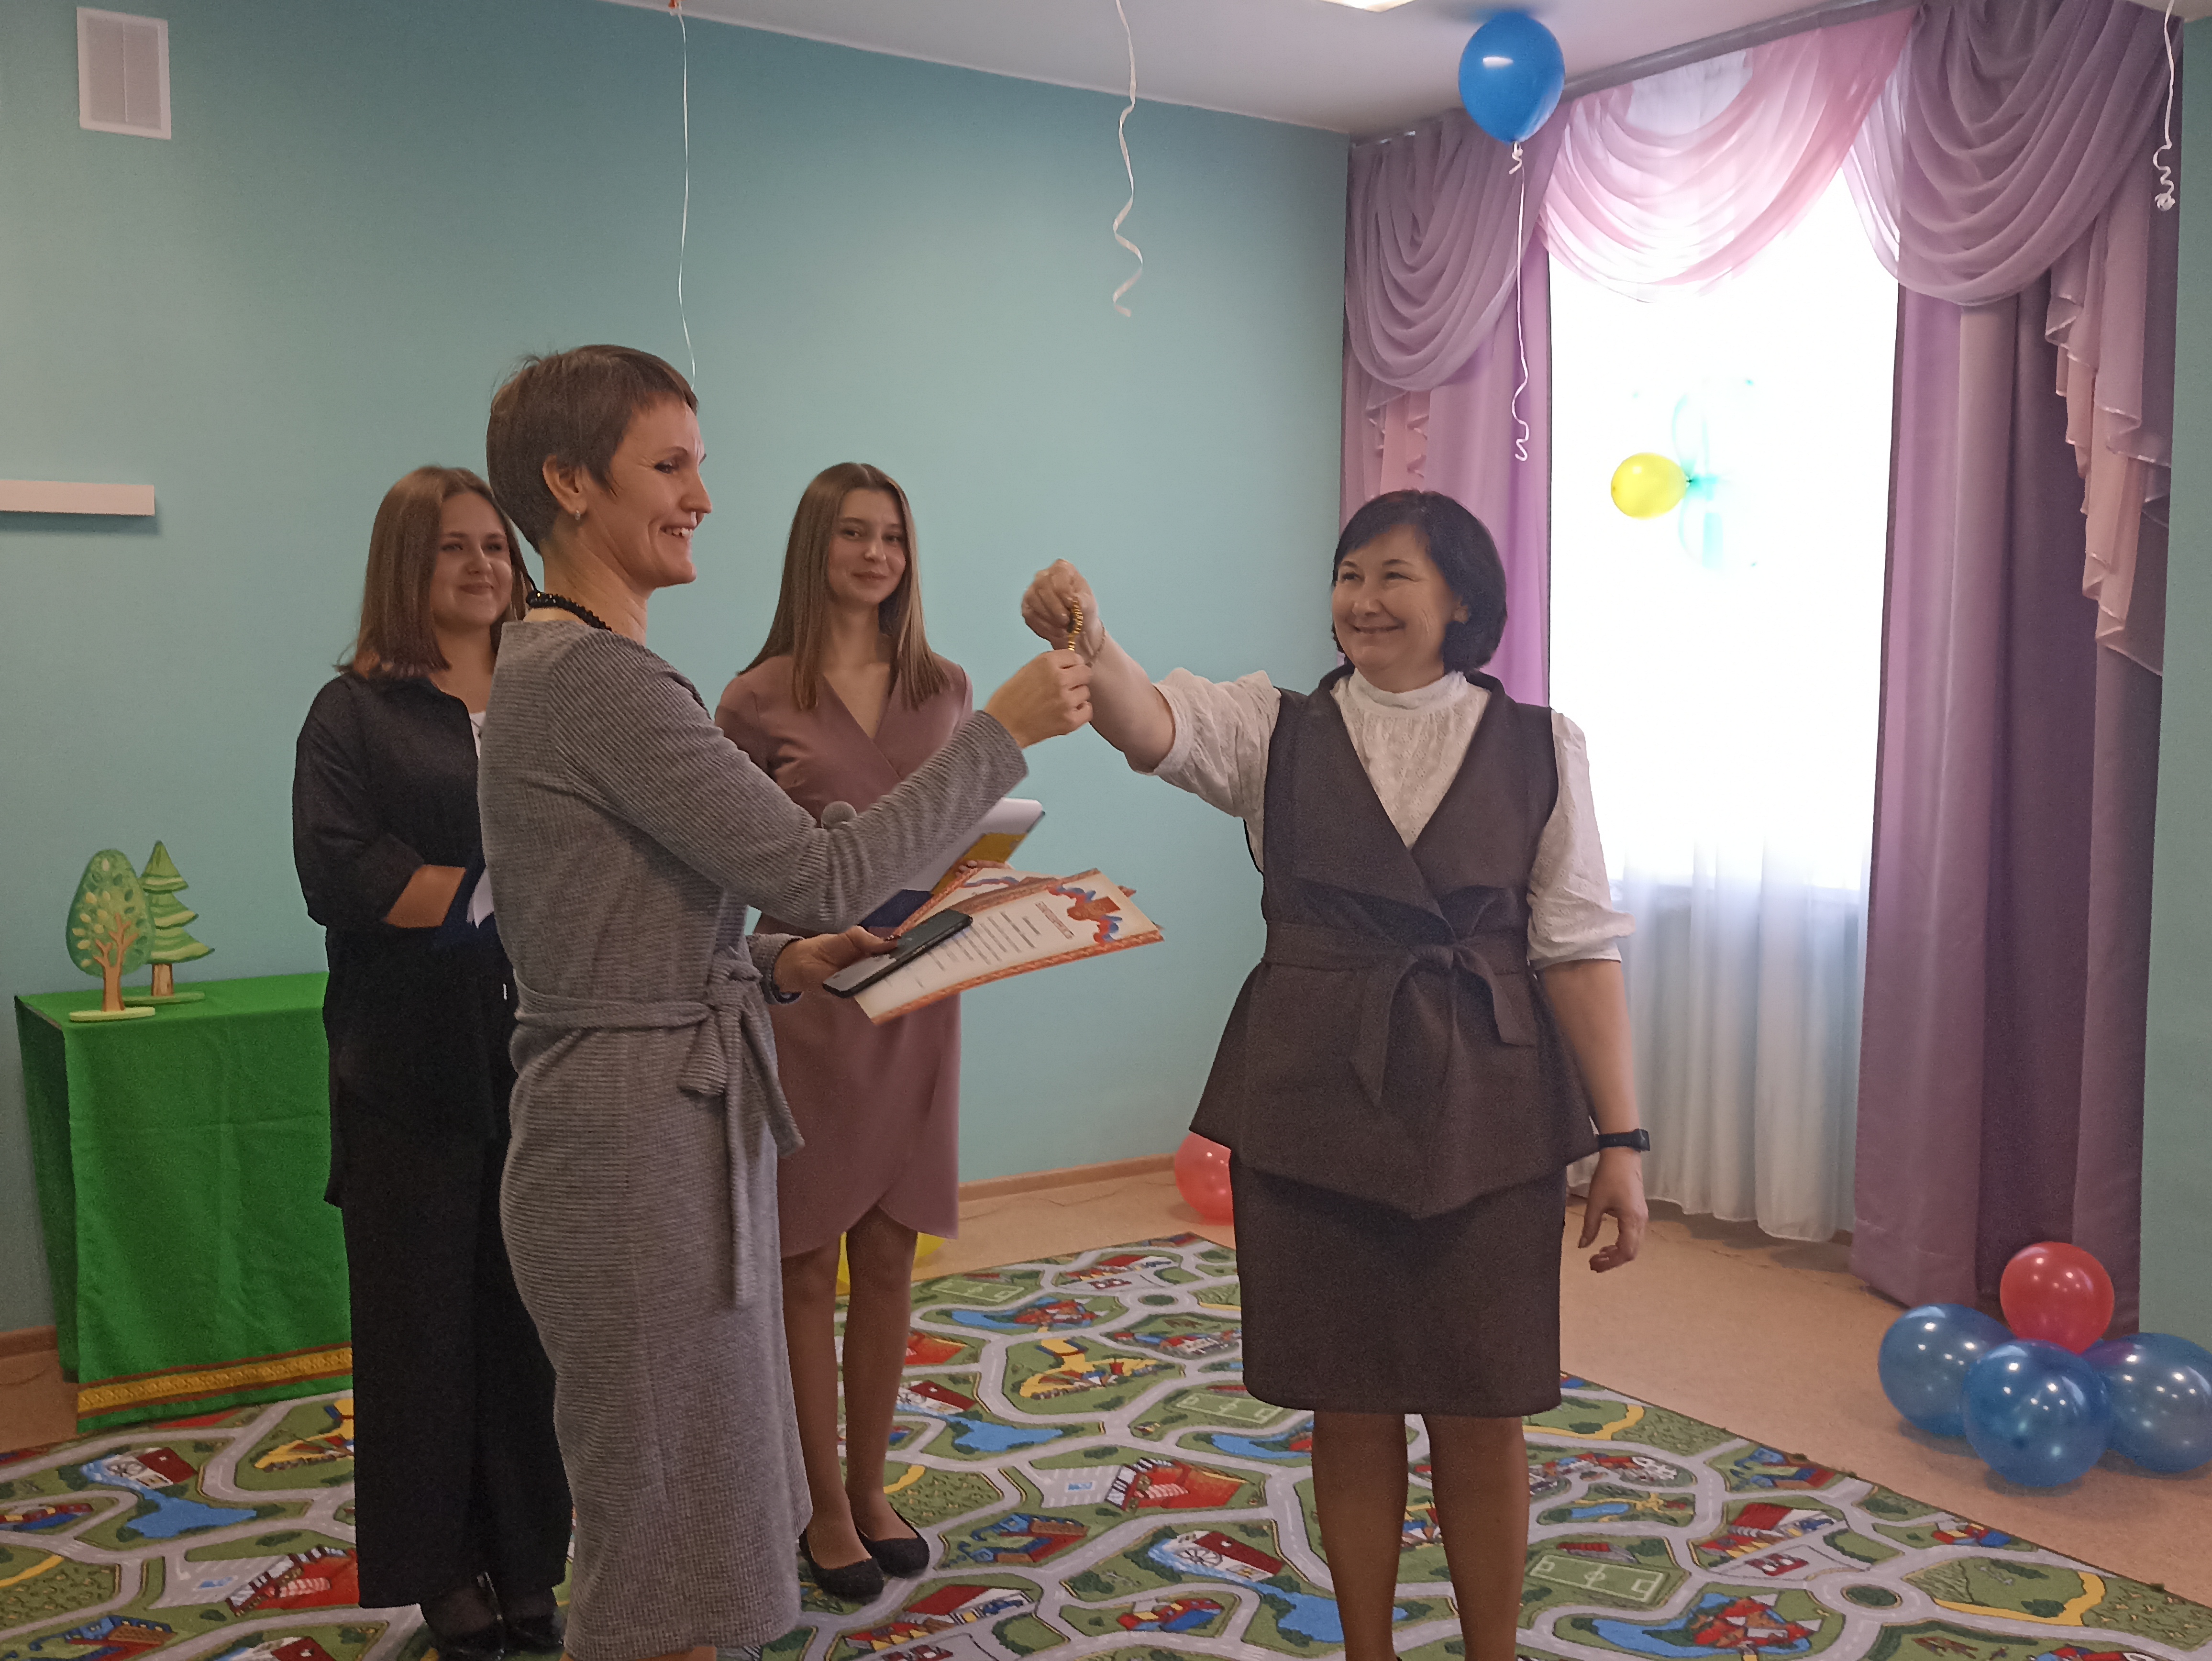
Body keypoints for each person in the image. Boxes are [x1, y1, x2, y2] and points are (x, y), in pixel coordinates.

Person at [474, 345, 1091, 1661]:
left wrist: (773, 965)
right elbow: (821, 871)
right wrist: (1003, 733)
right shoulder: (595, 679)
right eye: (669, 465)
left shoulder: (574, 665)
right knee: (661, 1539)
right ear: (570, 483)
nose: (703, 495)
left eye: (700, 463)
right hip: (634, 1142)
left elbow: (623, 925)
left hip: (658, 1114)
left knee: (691, 1517)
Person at [1018, 490, 1648, 1661]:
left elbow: (1575, 948)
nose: (1362, 598)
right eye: (1348, 573)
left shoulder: (1540, 744)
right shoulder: (1274, 727)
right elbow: (1153, 725)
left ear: (1461, 598)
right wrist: (1089, 642)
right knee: (1348, 1404)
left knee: (1481, 1407)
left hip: (1487, 1110)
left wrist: (1622, 1139)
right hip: (1314, 1097)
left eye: (1393, 574)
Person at [292, 466, 572, 1661]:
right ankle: (445, 1569)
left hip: (543, 1059)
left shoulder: (552, 692)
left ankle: (530, 1557)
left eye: (495, 546)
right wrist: (498, 897)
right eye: (453, 546)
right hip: (405, 1068)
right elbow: (340, 870)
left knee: (528, 1325)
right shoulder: (353, 712)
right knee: (421, 1333)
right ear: (406, 565)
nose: (481, 565)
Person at [716, 463, 970, 1603]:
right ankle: (817, 1503)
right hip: (811, 1000)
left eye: (893, 537)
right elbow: (722, 864)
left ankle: (871, 1488)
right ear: (814, 546)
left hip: (923, 994)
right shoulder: (754, 698)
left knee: (892, 1248)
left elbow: (962, 834)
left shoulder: (946, 687)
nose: (876, 555)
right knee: (807, 1257)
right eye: (855, 533)